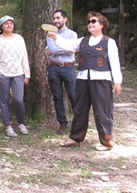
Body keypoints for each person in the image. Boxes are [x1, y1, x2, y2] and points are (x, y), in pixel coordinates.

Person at [48, 12, 122, 151]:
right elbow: (67, 44)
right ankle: (75, 138)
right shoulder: (83, 40)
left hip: (101, 80)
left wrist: (117, 81)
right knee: (79, 109)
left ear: (102, 24)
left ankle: (106, 141)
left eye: (94, 21)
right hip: (82, 79)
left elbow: (115, 62)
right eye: (89, 22)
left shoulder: (108, 42)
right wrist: (55, 37)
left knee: (103, 110)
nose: (90, 24)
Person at [0, 15, 30, 137]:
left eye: (11, 23)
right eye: (6, 23)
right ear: (1, 26)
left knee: (19, 100)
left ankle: (21, 124)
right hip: (2, 74)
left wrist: (26, 74)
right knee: (4, 101)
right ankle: (8, 127)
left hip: (18, 73)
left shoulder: (19, 39)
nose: (9, 25)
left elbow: (24, 57)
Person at [46, 9, 78, 134]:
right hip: (53, 67)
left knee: (74, 96)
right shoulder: (49, 34)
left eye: (58, 18)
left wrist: (55, 49)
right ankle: (62, 123)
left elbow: (56, 49)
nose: (55, 21)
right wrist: (67, 48)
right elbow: (54, 49)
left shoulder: (72, 34)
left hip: (68, 67)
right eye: (54, 18)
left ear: (65, 19)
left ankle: (78, 123)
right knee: (57, 97)